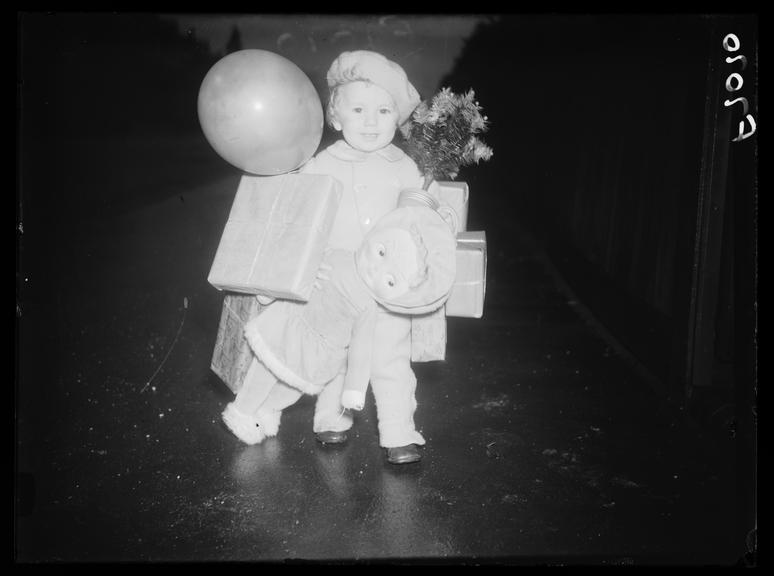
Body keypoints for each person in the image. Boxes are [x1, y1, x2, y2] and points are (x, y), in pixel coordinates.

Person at [229, 50, 459, 464]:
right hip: (334, 288)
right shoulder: (319, 165)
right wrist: (303, 268)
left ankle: (399, 433)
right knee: (334, 357)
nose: (371, 121)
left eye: (384, 110)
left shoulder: (407, 168)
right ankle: (331, 420)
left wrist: (433, 212)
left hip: (388, 291)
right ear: (335, 118)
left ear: (398, 120)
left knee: (389, 360)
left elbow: (435, 220)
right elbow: (296, 221)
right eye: (358, 109)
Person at [222, 206, 456, 451]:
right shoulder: (336, 255)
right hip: (293, 324)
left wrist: (354, 390)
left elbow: (360, 350)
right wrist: (285, 284)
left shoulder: (369, 307)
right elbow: (301, 261)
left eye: (390, 281)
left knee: (293, 389)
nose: (376, 269)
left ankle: (267, 409)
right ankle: (241, 412)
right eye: (381, 252)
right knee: (265, 369)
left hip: (319, 351)